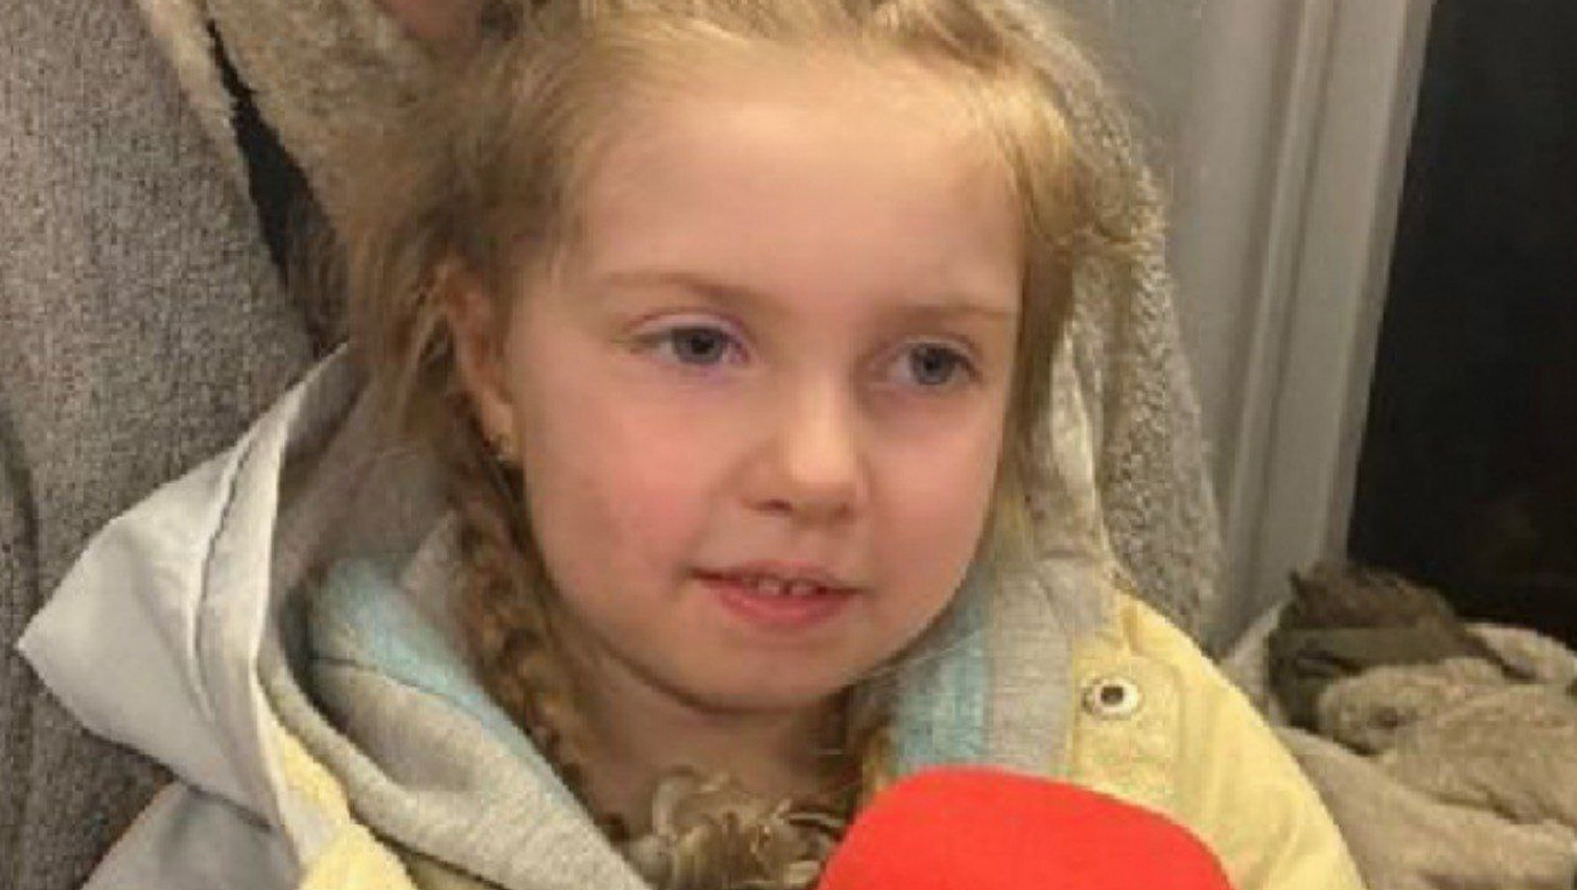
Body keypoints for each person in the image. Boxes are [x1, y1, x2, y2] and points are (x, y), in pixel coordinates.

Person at [17, 2, 1365, 888]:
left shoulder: (1146, 741)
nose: (817, 469)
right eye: (700, 346)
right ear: (488, 359)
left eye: (928, 363)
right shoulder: (273, 834)